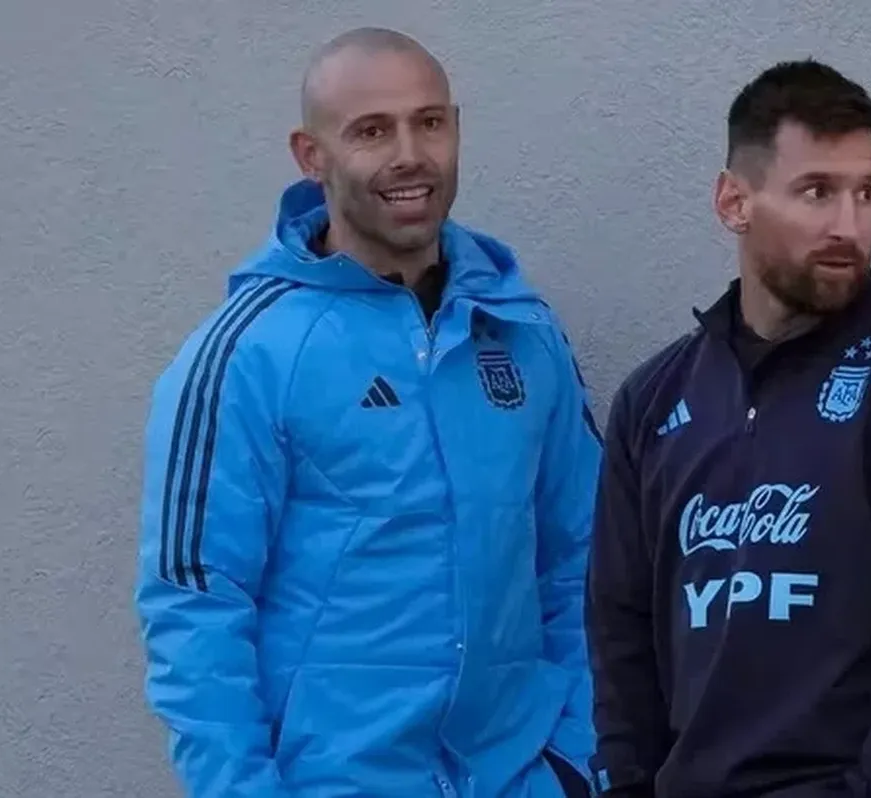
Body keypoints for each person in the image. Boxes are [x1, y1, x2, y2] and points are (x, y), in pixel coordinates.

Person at [135, 27, 601, 798]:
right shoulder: (247, 353)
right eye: (372, 131)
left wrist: (579, 757)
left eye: (430, 122)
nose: (410, 154)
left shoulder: (522, 333)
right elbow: (194, 609)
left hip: (520, 775)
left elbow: (585, 560)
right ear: (310, 156)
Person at [585, 59, 871, 797]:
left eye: (868, 193)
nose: (848, 225)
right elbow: (620, 634)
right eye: (817, 192)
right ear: (734, 202)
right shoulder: (654, 402)